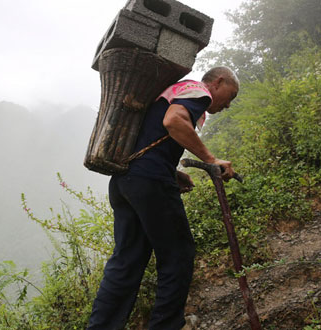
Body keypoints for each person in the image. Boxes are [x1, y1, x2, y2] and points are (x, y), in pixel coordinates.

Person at [87, 66, 240, 330]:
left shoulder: (174, 91)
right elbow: (173, 122)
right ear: (218, 81)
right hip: (150, 182)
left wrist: (173, 172)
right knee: (178, 254)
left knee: (127, 260)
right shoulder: (199, 92)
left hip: (125, 180)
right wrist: (211, 159)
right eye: (231, 96)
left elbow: (154, 134)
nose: (228, 105)